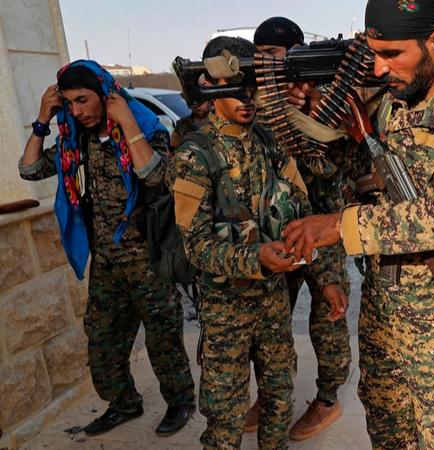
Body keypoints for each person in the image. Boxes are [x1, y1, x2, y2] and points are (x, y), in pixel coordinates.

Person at [281, 0, 434, 447]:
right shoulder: (391, 107)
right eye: (374, 53)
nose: (379, 67)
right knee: (387, 425)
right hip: (382, 308)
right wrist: (321, 119)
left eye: (391, 54)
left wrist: (338, 226)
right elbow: (353, 173)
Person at [170, 36, 345, 449]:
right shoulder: (196, 157)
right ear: (210, 87)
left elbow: (304, 216)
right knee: (226, 419)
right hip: (225, 312)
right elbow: (195, 246)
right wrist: (257, 258)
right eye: (235, 86)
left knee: (278, 403)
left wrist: (327, 278)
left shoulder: (271, 143)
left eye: (253, 85)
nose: (248, 98)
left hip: (272, 305)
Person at [18, 60, 195, 436]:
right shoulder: (73, 141)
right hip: (108, 266)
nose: (77, 110)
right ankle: (124, 404)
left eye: (83, 100)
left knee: (164, 342)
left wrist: (128, 122)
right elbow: (29, 170)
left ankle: (180, 403)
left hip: (150, 262)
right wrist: (42, 120)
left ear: (106, 95)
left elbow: (157, 178)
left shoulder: (147, 130)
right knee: (102, 343)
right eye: (69, 102)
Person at [244, 16, 352, 440]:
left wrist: (306, 108)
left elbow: (335, 164)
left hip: (324, 224)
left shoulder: (319, 95)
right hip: (277, 229)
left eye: (276, 54)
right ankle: (272, 395)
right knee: (272, 321)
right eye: (262, 54)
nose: (268, 62)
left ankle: (327, 398)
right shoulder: (256, 101)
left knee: (328, 316)